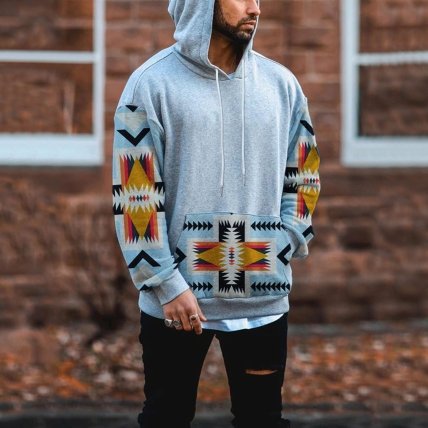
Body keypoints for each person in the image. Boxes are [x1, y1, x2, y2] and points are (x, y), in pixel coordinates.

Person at [112, 0, 320, 427]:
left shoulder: (282, 85)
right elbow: (136, 196)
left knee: (262, 420)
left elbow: (305, 176)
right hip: (178, 302)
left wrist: (284, 244)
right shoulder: (150, 85)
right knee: (166, 418)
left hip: (262, 301)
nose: (255, 8)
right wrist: (166, 285)